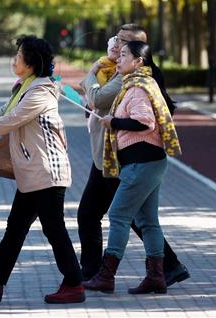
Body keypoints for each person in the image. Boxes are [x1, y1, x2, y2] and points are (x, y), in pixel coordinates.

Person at [0, 35, 85, 304]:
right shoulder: (26, 87)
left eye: (18, 55)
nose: (14, 59)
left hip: (47, 173)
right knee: (15, 229)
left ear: (31, 63)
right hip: (34, 174)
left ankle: (74, 283)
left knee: (54, 229)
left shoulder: (40, 92)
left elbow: (10, 121)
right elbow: (2, 112)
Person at [77, 24, 189, 285]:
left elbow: (101, 100)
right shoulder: (121, 72)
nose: (117, 46)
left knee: (116, 215)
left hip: (123, 157)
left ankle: (102, 273)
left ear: (139, 55)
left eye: (125, 44)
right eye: (117, 40)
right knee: (138, 217)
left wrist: (92, 78)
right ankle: (162, 270)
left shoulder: (133, 80)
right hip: (114, 155)